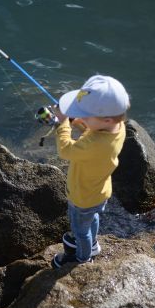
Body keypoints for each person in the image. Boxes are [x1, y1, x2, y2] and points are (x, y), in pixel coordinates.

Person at [51, 75, 130, 268]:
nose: (83, 118)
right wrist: (77, 121)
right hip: (99, 192)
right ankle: (93, 244)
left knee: (80, 231)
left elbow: (66, 150)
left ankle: (82, 257)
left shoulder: (94, 143)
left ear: (107, 119)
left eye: (85, 115)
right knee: (92, 218)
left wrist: (62, 124)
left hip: (82, 197)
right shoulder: (117, 128)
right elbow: (92, 129)